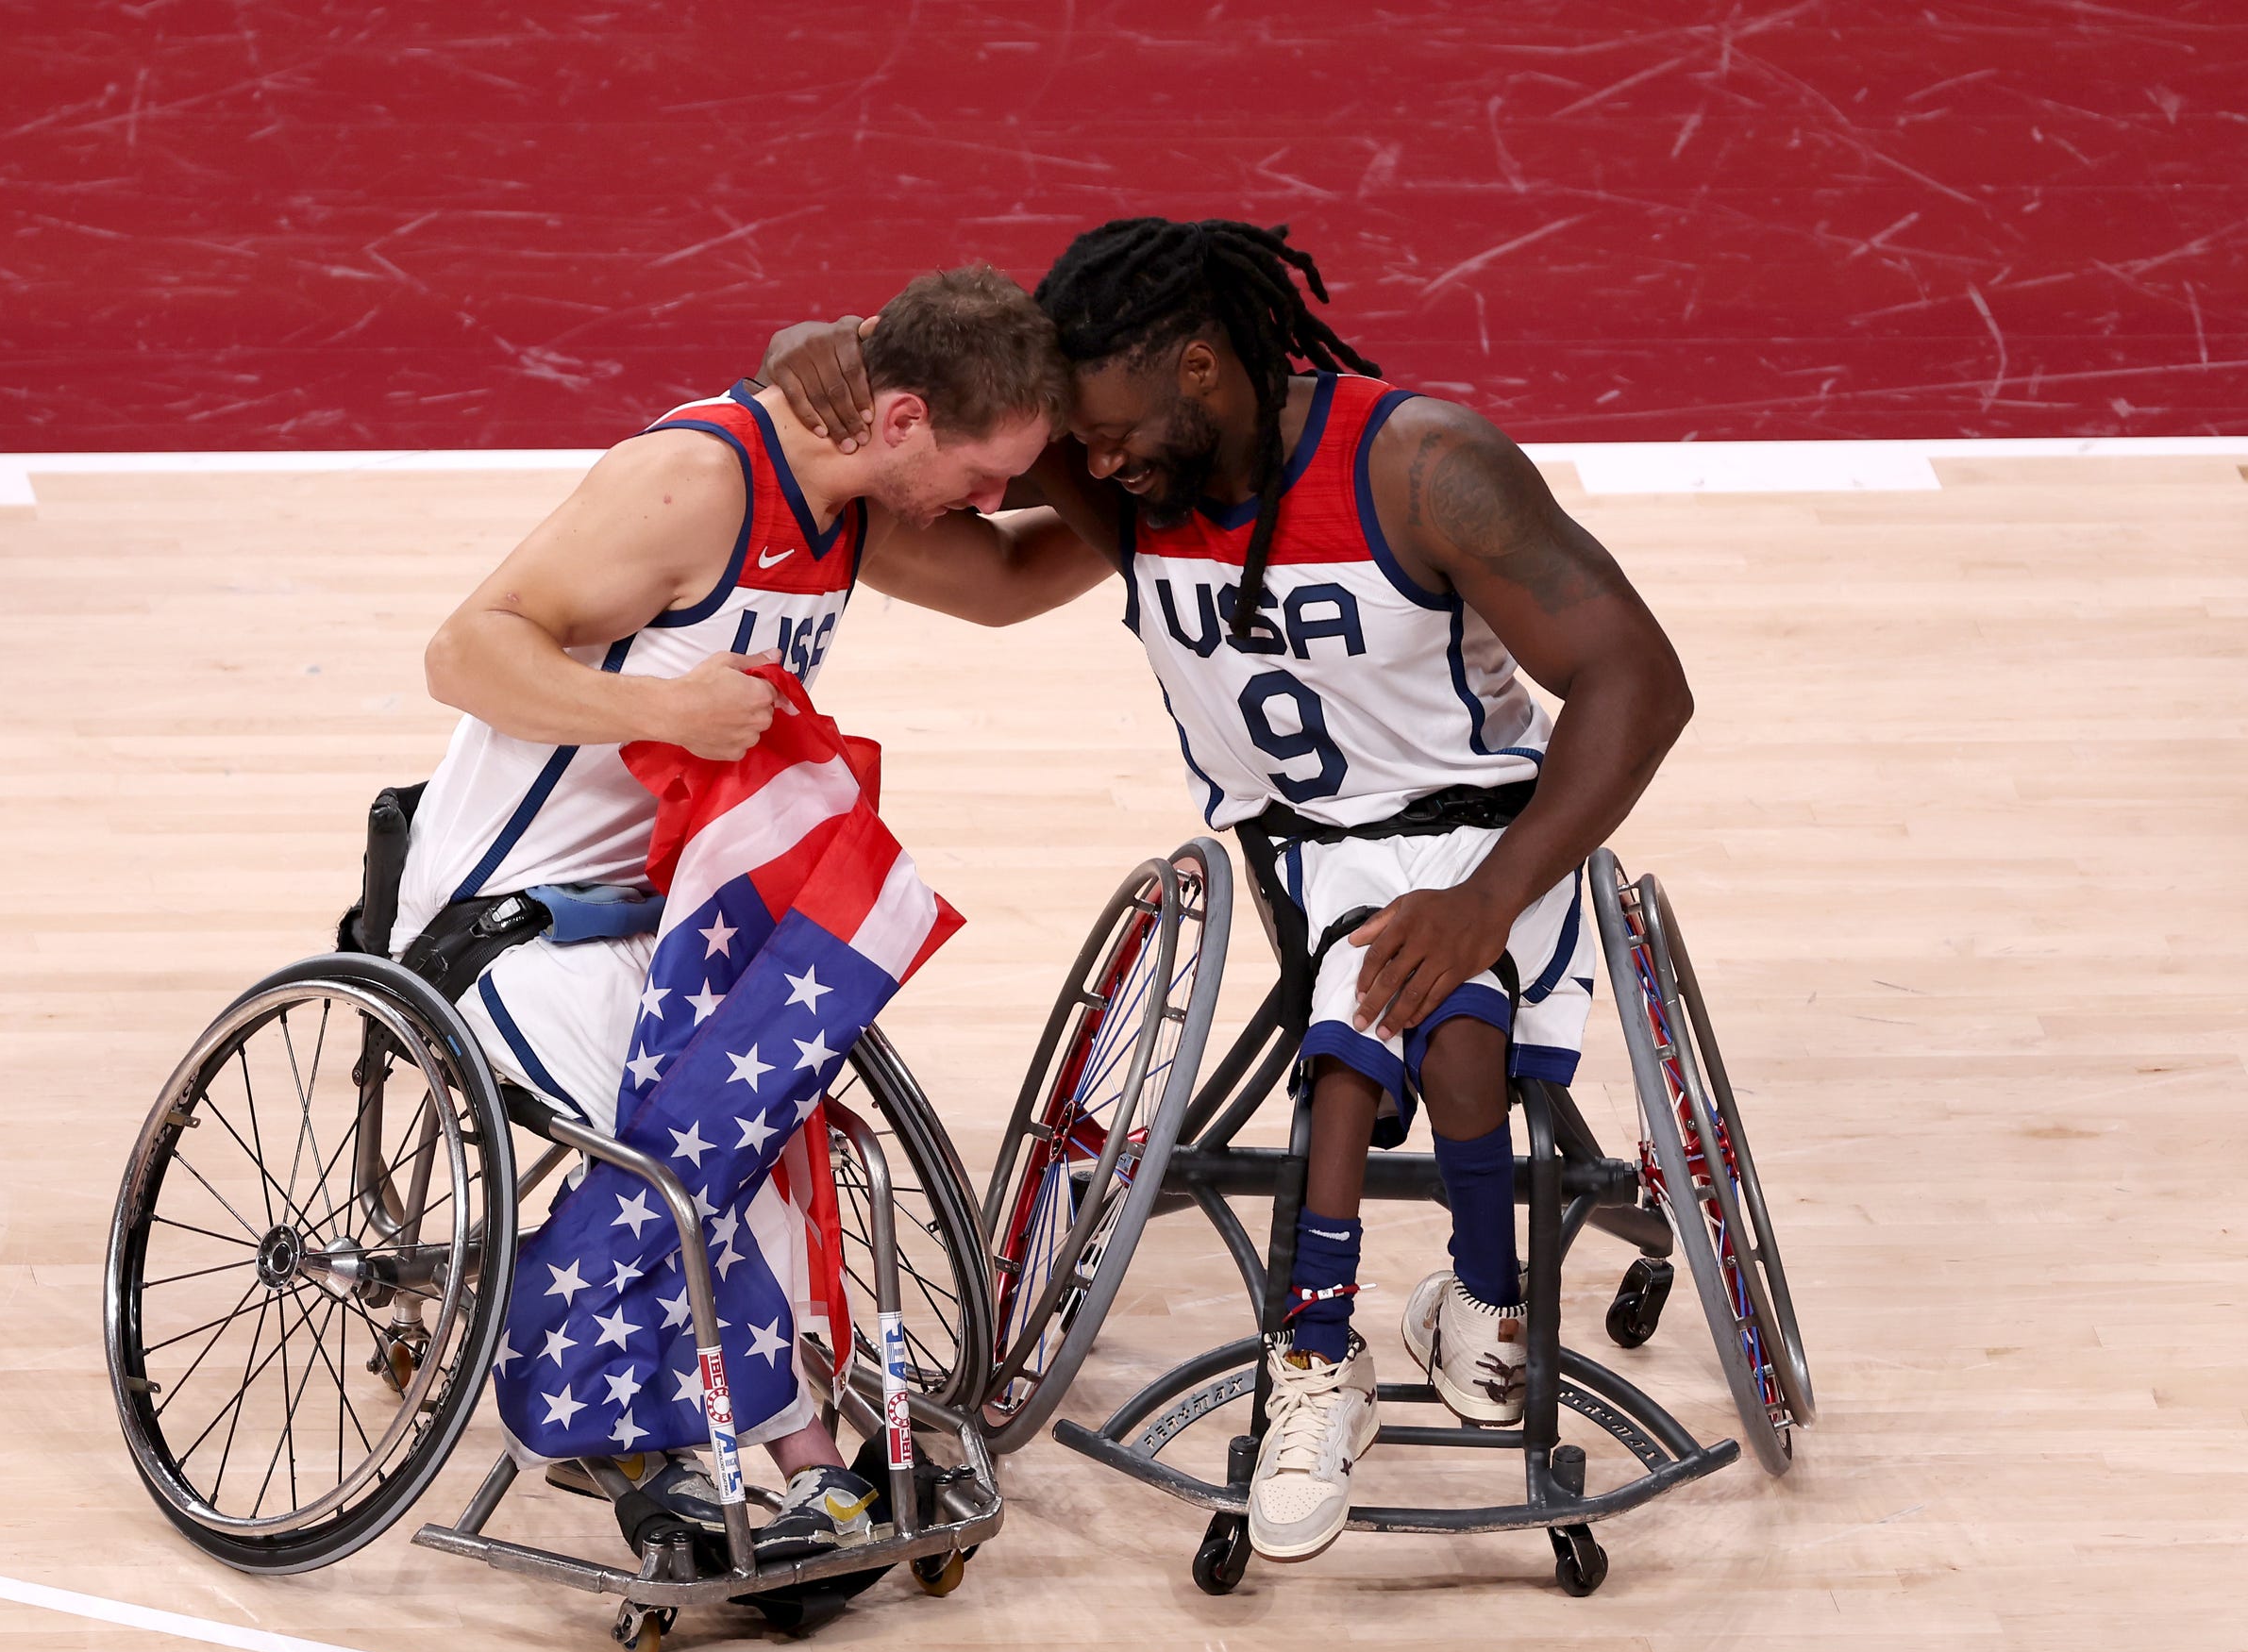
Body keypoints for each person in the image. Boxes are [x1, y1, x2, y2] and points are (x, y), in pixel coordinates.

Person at [758, 217, 1692, 1563]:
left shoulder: (1427, 468)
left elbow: (1639, 682)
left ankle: (1476, 1307)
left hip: (1488, 844)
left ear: (1202, 367)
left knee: (1449, 1039)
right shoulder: (1122, 473)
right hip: (1303, 864)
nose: (1090, 462)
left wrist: (1488, 898)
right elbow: (935, 447)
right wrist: (817, 362)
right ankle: (1325, 1357)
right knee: (1369, 1043)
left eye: (1109, 426)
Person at [394, 262, 1099, 1562]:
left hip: (664, 929)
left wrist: (1158, 519)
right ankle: (755, 1444)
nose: (993, 503)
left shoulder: (847, 507)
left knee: (771, 1117)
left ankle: (787, 1450)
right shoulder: (694, 482)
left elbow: (999, 583)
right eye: (984, 473)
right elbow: (463, 650)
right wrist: (660, 710)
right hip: (508, 921)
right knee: (704, 1144)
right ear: (898, 422)